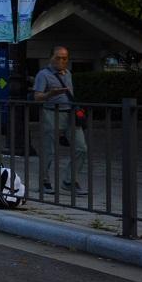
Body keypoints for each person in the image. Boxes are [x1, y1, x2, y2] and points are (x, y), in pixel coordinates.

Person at [33, 46, 88, 195]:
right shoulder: (43, 75)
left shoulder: (68, 73)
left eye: (64, 58)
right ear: (51, 57)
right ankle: (44, 182)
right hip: (51, 112)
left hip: (70, 113)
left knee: (81, 148)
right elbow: (37, 97)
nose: (61, 61)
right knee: (48, 149)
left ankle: (69, 181)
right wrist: (50, 94)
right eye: (58, 57)